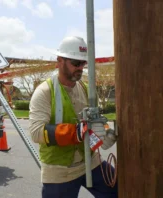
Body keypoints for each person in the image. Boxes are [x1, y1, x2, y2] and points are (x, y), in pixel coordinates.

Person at [29, 36, 118, 198]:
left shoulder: (86, 89)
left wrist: (103, 134)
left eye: (83, 63)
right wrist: (76, 132)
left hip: (90, 162)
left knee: (119, 189)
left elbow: (94, 120)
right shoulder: (44, 92)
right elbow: (36, 132)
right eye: (76, 63)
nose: (80, 68)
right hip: (60, 171)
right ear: (60, 61)